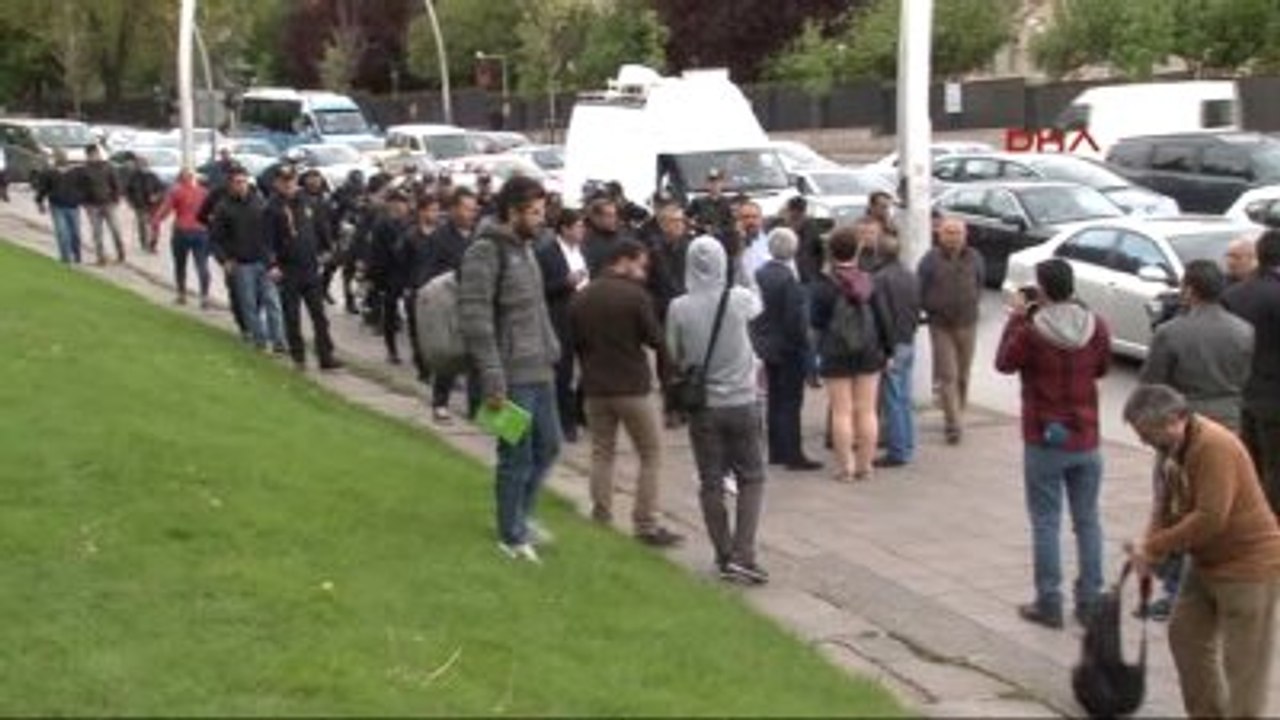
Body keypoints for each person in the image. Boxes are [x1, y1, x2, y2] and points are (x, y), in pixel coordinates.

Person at [1123, 384, 1280, 719]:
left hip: (1249, 566)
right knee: (1186, 635)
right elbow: (1163, 505)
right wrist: (1147, 551)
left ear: (1175, 420)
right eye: (1140, 434)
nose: (1143, 442)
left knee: (1245, 667)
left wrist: (1155, 546)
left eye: (1147, 434)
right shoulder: (1172, 449)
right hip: (1207, 562)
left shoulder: (1213, 446)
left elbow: (1210, 518)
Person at [995, 258, 1111, 629]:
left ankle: (1050, 602)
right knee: (1088, 521)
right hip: (1086, 435)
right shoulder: (1096, 326)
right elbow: (1102, 368)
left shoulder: (1031, 331)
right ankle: (1091, 600)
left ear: (1042, 290)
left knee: (1046, 521)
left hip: (1044, 436)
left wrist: (1017, 316)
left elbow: (1003, 363)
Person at [1138, 260, 1255, 620]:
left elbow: (1152, 387)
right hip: (1229, 422)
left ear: (1189, 289)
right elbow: (1244, 377)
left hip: (1183, 427)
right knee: (1214, 507)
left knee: (1176, 508)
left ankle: (1175, 592)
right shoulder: (1244, 330)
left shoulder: (1172, 332)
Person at [459, 176, 562, 563]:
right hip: (510, 374)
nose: (541, 219)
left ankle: (523, 514)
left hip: (540, 367)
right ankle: (511, 533)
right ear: (512, 211)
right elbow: (476, 317)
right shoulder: (486, 252)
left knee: (548, 447)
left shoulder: (526, 248)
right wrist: (491, 375)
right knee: (515, 455)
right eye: (534, 213)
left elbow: (535, 306)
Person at [667, 235, 770, 584]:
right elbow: (759, 302)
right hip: (742, 399)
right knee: (752, 476)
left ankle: (724, 553)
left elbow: (673, 352)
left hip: (704, 405)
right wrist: (740, 263)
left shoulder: (678, 307)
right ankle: (745, 552)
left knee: (711, 480)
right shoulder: (739, 300)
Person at [570, 240, 684, 547]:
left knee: (601, 452)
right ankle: (645, 522)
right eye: (641, 265)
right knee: (650, 453)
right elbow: (657, 341)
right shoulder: (635, 297)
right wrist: (669, 383)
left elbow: (574, 342)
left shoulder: (583, 297)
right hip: (632, 386)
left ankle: (601, 514)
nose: (644, 272)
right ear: (625, 261)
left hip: (595, 387)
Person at [810, 222, 894, 483]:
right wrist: (888, 350)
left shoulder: (823, 285)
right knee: (867, 410)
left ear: (831, 252)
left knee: (841, 411)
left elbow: (817, 322)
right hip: (869, 352)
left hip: (835, 352)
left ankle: (845, 467)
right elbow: (883, 319)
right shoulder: (869, 281)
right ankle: (865, 466)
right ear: (857, 251)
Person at [753, 228, 821, 471]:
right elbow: (796, 320)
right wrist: (805, 347)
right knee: (791, 401)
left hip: (767, 344)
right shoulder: (789, 280)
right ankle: (793, 453)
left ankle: (776, 450)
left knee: (774, 399)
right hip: (788, 347)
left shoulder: (759, 274)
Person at [1223, 230, 1280, 515]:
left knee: (1250, 462)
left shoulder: (1233, 294)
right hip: (1274, 398)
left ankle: (1248, 518)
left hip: (1243, 392)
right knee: (1275, 468)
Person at [264, 166, 342, 371]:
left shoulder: (307, 202)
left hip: (309, 267)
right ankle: (298, 356)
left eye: (291, 180)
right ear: (277, 183)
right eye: (284, 180)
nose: (288, 184)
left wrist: (326, 248)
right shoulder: (272, 208)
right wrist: (272, 264)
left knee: (319, 315)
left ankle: (326, 355)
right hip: (287, 269)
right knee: (292, 315)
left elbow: (320, 227)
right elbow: (266, 240)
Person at [919, 216, 984, 445]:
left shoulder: (974, 257)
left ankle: (959, 411)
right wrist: (928, 309)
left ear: (965, 235)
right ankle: (952, 424)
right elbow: (921, 287)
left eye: (957, 232)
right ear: (939, 235)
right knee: (948, 375)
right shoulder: (930, 260)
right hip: (941, 325)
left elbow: (979, 284)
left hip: (968, 323)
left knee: (963, 375)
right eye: (948, 232)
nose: (953, 237)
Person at [210, 166, 285, 353]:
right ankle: (259, 338)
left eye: (244, 181)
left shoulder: (260, 202)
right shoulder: (223, 208)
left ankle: (278, 340)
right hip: (241, 263)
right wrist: (224, 259)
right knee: (248, 304)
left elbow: (272, 231)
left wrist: (275, 257)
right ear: (230, 185)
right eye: (237, 182)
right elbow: (216, 239)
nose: (241, 186)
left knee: (272, 301)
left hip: (264, 261)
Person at [425, 188, 481, 422]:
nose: (471, 213)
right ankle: (440, 402)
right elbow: (430, 272)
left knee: (478, 358)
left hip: (477, 303)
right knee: (450, 355)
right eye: (467, 208)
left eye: (473, 209)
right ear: (455, 209)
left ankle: (476, 407)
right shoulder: (440, 237)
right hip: (450, 303)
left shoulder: (478, 236)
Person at [536, 209, 589, 442]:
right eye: (578, 227)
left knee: (589, 369)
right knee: (563, 373)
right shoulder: (547, 253)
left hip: (584, 314)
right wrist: (565, 283)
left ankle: (580, 412)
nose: (582, 231)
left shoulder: (582, 252)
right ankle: (564, 422)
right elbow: (541, 289)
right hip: (560, 318)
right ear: (565, 228)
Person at [873, 233, 922, 469]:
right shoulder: (910, 275)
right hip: (908, 340)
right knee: (904, 398)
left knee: (892, 399)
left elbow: (882, 315)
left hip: (892, 344)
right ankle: (907, 444)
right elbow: (915, 309)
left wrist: (887, 348)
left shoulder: (880, 278)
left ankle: (898, 450)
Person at [152, 168, 211, 308]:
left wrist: (155, 221)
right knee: (202, 265)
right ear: (193, 178)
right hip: (201, 231)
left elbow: (165, 210)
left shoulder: (176, 192)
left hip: (182, 231)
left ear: (180, 179)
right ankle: (204, 297)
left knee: (180, 265)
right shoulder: (204, 193)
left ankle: (182, 294)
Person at [368, 190, 413, 365]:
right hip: (389, 274)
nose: (401, 206)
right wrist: (375, 277)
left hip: (407, 273)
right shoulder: (382, 224)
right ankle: (391, 350)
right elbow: (376, 252)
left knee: (411, 311)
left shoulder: (409, 223)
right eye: (397, 202)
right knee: (390, 312)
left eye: (403, 202)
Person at [402, 194, 443, 383]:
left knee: (440, 331)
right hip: (416, 288)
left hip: (438, 289)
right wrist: (406, 286)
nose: (435, 214)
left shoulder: (442, 235)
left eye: (437, 210)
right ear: (421, 212)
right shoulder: (410, 236)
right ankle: (423, 368)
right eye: (431, 210)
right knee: (418, 331)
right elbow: (401, 262)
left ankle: (442, 369)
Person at [33, 151, 83, 264]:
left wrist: (80, 197)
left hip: (73, 205)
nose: (60, 159)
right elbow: (43, 189)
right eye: (58, 157)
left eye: (62, 157)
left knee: (75, 233)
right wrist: (40, 202)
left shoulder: (75, 172)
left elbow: (82, 186)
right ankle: (65, 258)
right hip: (57, 206)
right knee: (62, 232)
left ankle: (77, 255)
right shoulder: (49, 173)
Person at [80, 144, 126, 264]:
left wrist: (116, 198)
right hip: (92, 205)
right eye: (91, 155)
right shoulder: (85, 169)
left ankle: (121, 253)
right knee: (97, 232)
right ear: (88, 156)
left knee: (115, 230)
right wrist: (84, 203)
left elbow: (116, 183)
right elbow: (82, 187)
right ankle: (101, 257)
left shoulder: (107, 167)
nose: (94, 156)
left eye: (96, 154)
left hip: (108, 203)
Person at [772, 196, 824, 285]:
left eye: (800, 211)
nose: (796, 214)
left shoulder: (811, 229)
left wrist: (814, 271)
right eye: (793, 211)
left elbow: (819, 253)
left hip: (807, 278)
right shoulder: (779, 230)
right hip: (784, 278)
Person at [582, 196, 632, 277]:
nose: (614, 219)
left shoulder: (624, 235)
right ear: (595, 218)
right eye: (609, 215)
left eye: (615, 215)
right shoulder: (585, 240)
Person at [124, 156, 164, 254]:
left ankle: (153, 244)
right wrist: (130, 202)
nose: (141, 166)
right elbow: (128, 191)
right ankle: (145, 244)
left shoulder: (153, 176)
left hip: (153, 205)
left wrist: (156, 196)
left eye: (143, 164)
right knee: (142, 225)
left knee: (154, 226)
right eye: (139, 164)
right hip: (139, 205)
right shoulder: (133, 177)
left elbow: (162, 189)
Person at [687, 168, 734, 238]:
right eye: (711, 182)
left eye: (717, 182)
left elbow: (732, 224)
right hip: (703, 238)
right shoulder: (698, 202)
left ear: (722, 183)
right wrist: (700, 226)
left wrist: (719, 230)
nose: (714, 185)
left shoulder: (728, 203)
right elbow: (687, 218)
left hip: (723, 240)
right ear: (707, 184)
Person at [736, 200, 771, 288]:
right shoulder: (730, 245)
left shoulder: (771, 244)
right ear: (738, 220)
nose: (750, 221)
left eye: (754, 217)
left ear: (761, 219)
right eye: (746, 217)